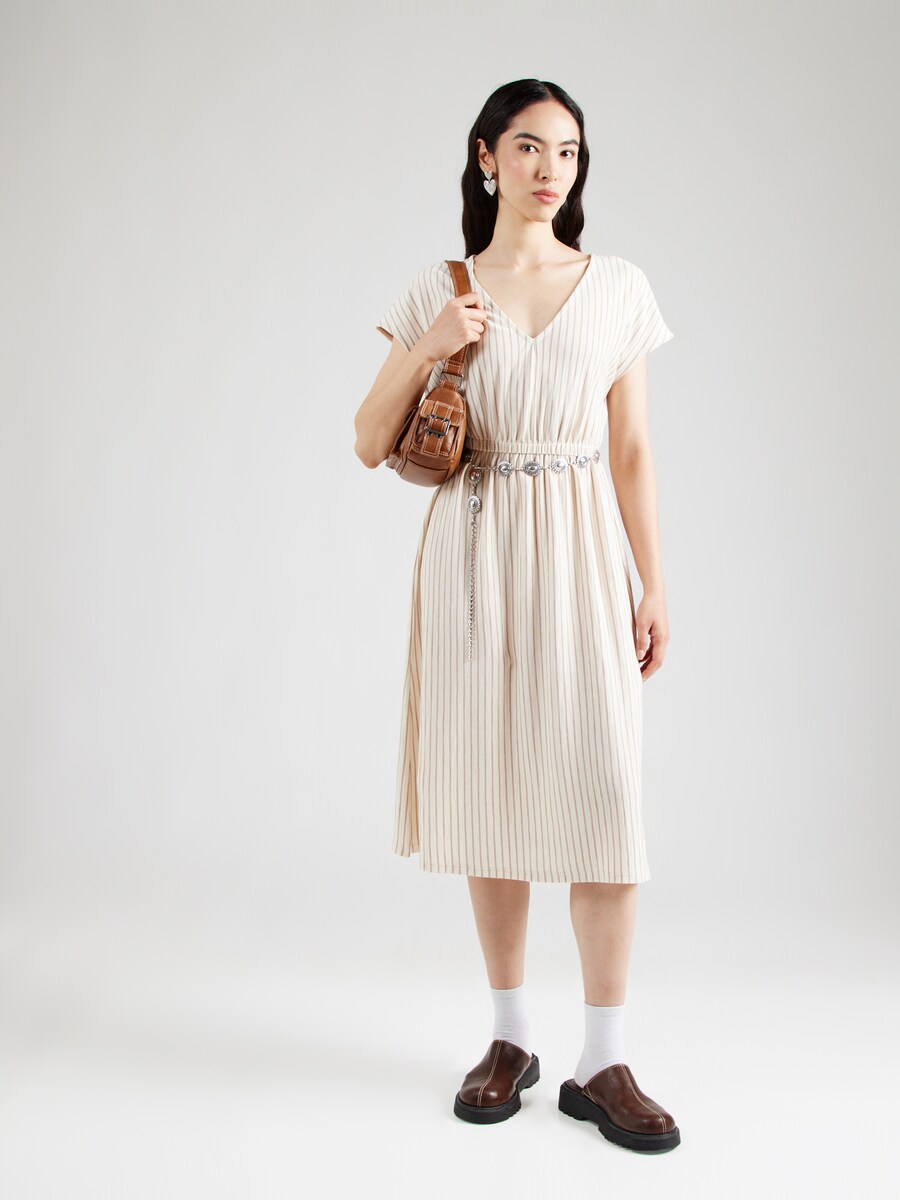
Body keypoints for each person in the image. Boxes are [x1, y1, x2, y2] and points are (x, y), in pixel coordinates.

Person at [354, 79, 680, 1153]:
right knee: (491, 789)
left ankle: (603, 1059)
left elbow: (631, 449)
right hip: (475, 555)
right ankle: (510, 1038)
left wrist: (653, 583)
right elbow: (367, 439)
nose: (552, 169)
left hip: (582, 554)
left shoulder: (617, 286)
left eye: (569, 152)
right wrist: (430, 340)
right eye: (530, 146)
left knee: (606, 799)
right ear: (486, 156)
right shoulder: (441, 287)